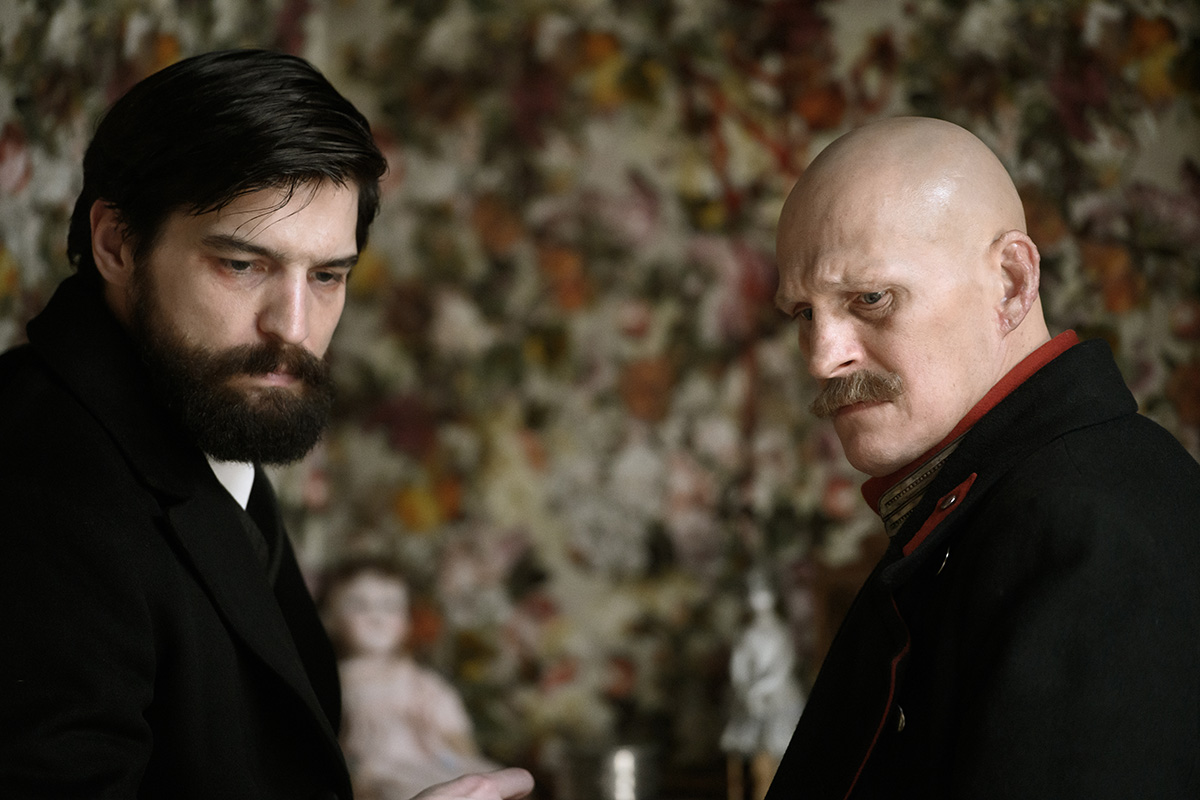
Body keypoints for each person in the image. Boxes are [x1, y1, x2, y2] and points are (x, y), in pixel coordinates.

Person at [0, 49, 532, 800]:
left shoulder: (196, 409)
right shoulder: (39, 483)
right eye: (242, 265)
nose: (293, 326)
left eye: (327, 276)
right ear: (116, 244)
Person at [765, 116, 1200, 799]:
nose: (823, 358)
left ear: (1011, 283)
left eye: (871, 299)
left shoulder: (1089, 531)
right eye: (804, 314)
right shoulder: (1001, 502)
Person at [321, 559, 499, 800]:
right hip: (378, 772)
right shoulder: (335, 681)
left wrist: (460, 754)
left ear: (406, 621)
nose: (377, 617)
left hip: (435, 762)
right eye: (359, 605)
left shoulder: (419, 680)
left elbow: (458, 736)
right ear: (330, 618)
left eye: (390, 606)